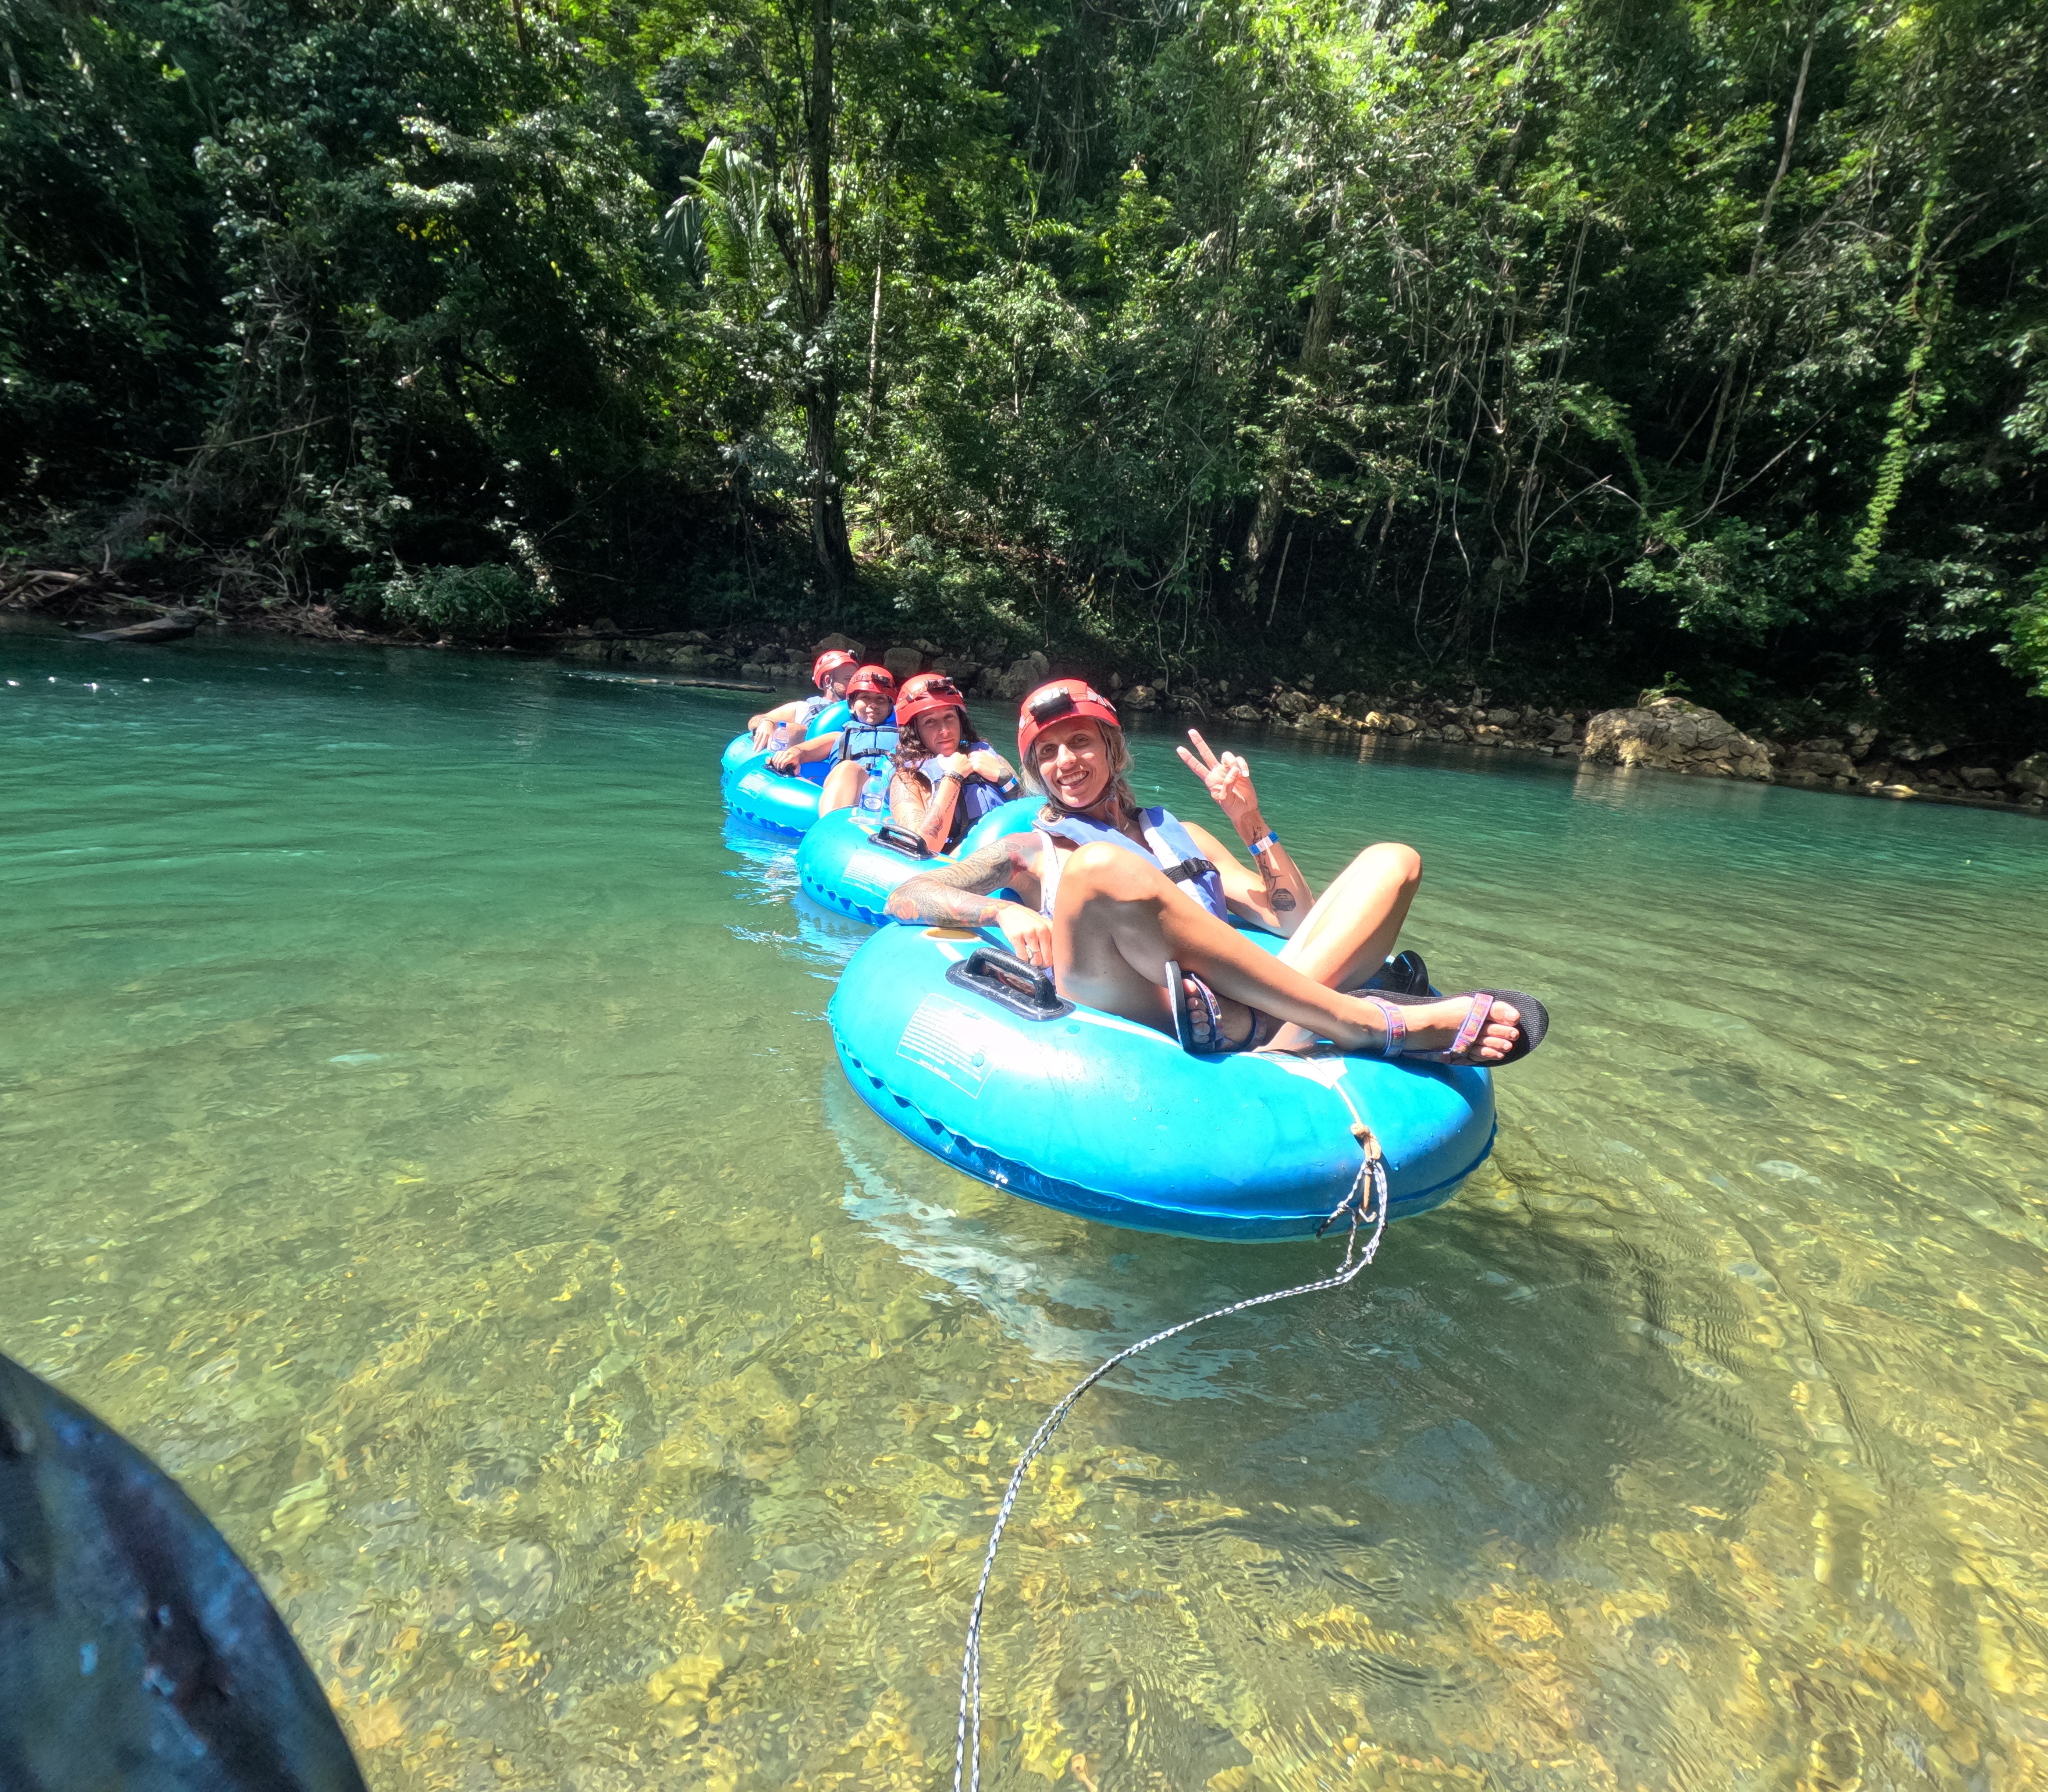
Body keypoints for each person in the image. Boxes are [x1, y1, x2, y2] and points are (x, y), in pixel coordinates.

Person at [884, 679, 1547, 1062]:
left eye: (1081, 742)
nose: (1066, 762)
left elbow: (1294, 921)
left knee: (1393, 861)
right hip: (1135, 995)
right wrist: (1001, 908)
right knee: (1100, 868)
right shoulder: (1029, 850)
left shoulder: (1183, 835)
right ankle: (1362, 1022)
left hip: (1249, 999)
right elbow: (908, 894)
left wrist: (1249, 823)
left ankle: (1285, 1033)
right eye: (1049, 753)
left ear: (1112, 749)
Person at [888, 672, 1023, 853]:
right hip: (953, 868)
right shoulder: (908, 781)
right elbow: (919, 848)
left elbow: (1031, 814)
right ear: (914, 732)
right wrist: (953, 777)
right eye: (930, 722)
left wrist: (1005, 778)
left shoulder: (988, 758)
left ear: (961, 721)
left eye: (949, 717)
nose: (945, 731)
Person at [766, 664, 900, 814]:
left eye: (881, 700)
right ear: (852, 705)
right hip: (851, 786)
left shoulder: (903, 739)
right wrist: (793, 753)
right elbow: (802, 751)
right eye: (865, 698)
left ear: (890, 708)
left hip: (890, 795)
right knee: (849, 768)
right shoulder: (838, 737)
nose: (873, 705)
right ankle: (832, 826)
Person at [748, 650, 857, 751]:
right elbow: (755, 721)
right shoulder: (803, 708)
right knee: (795, 730)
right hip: (804, 764)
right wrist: (767, 722)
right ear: (828, 681)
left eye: (856, 680)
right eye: (848, 679)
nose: (854, 685)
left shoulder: (864, 710)